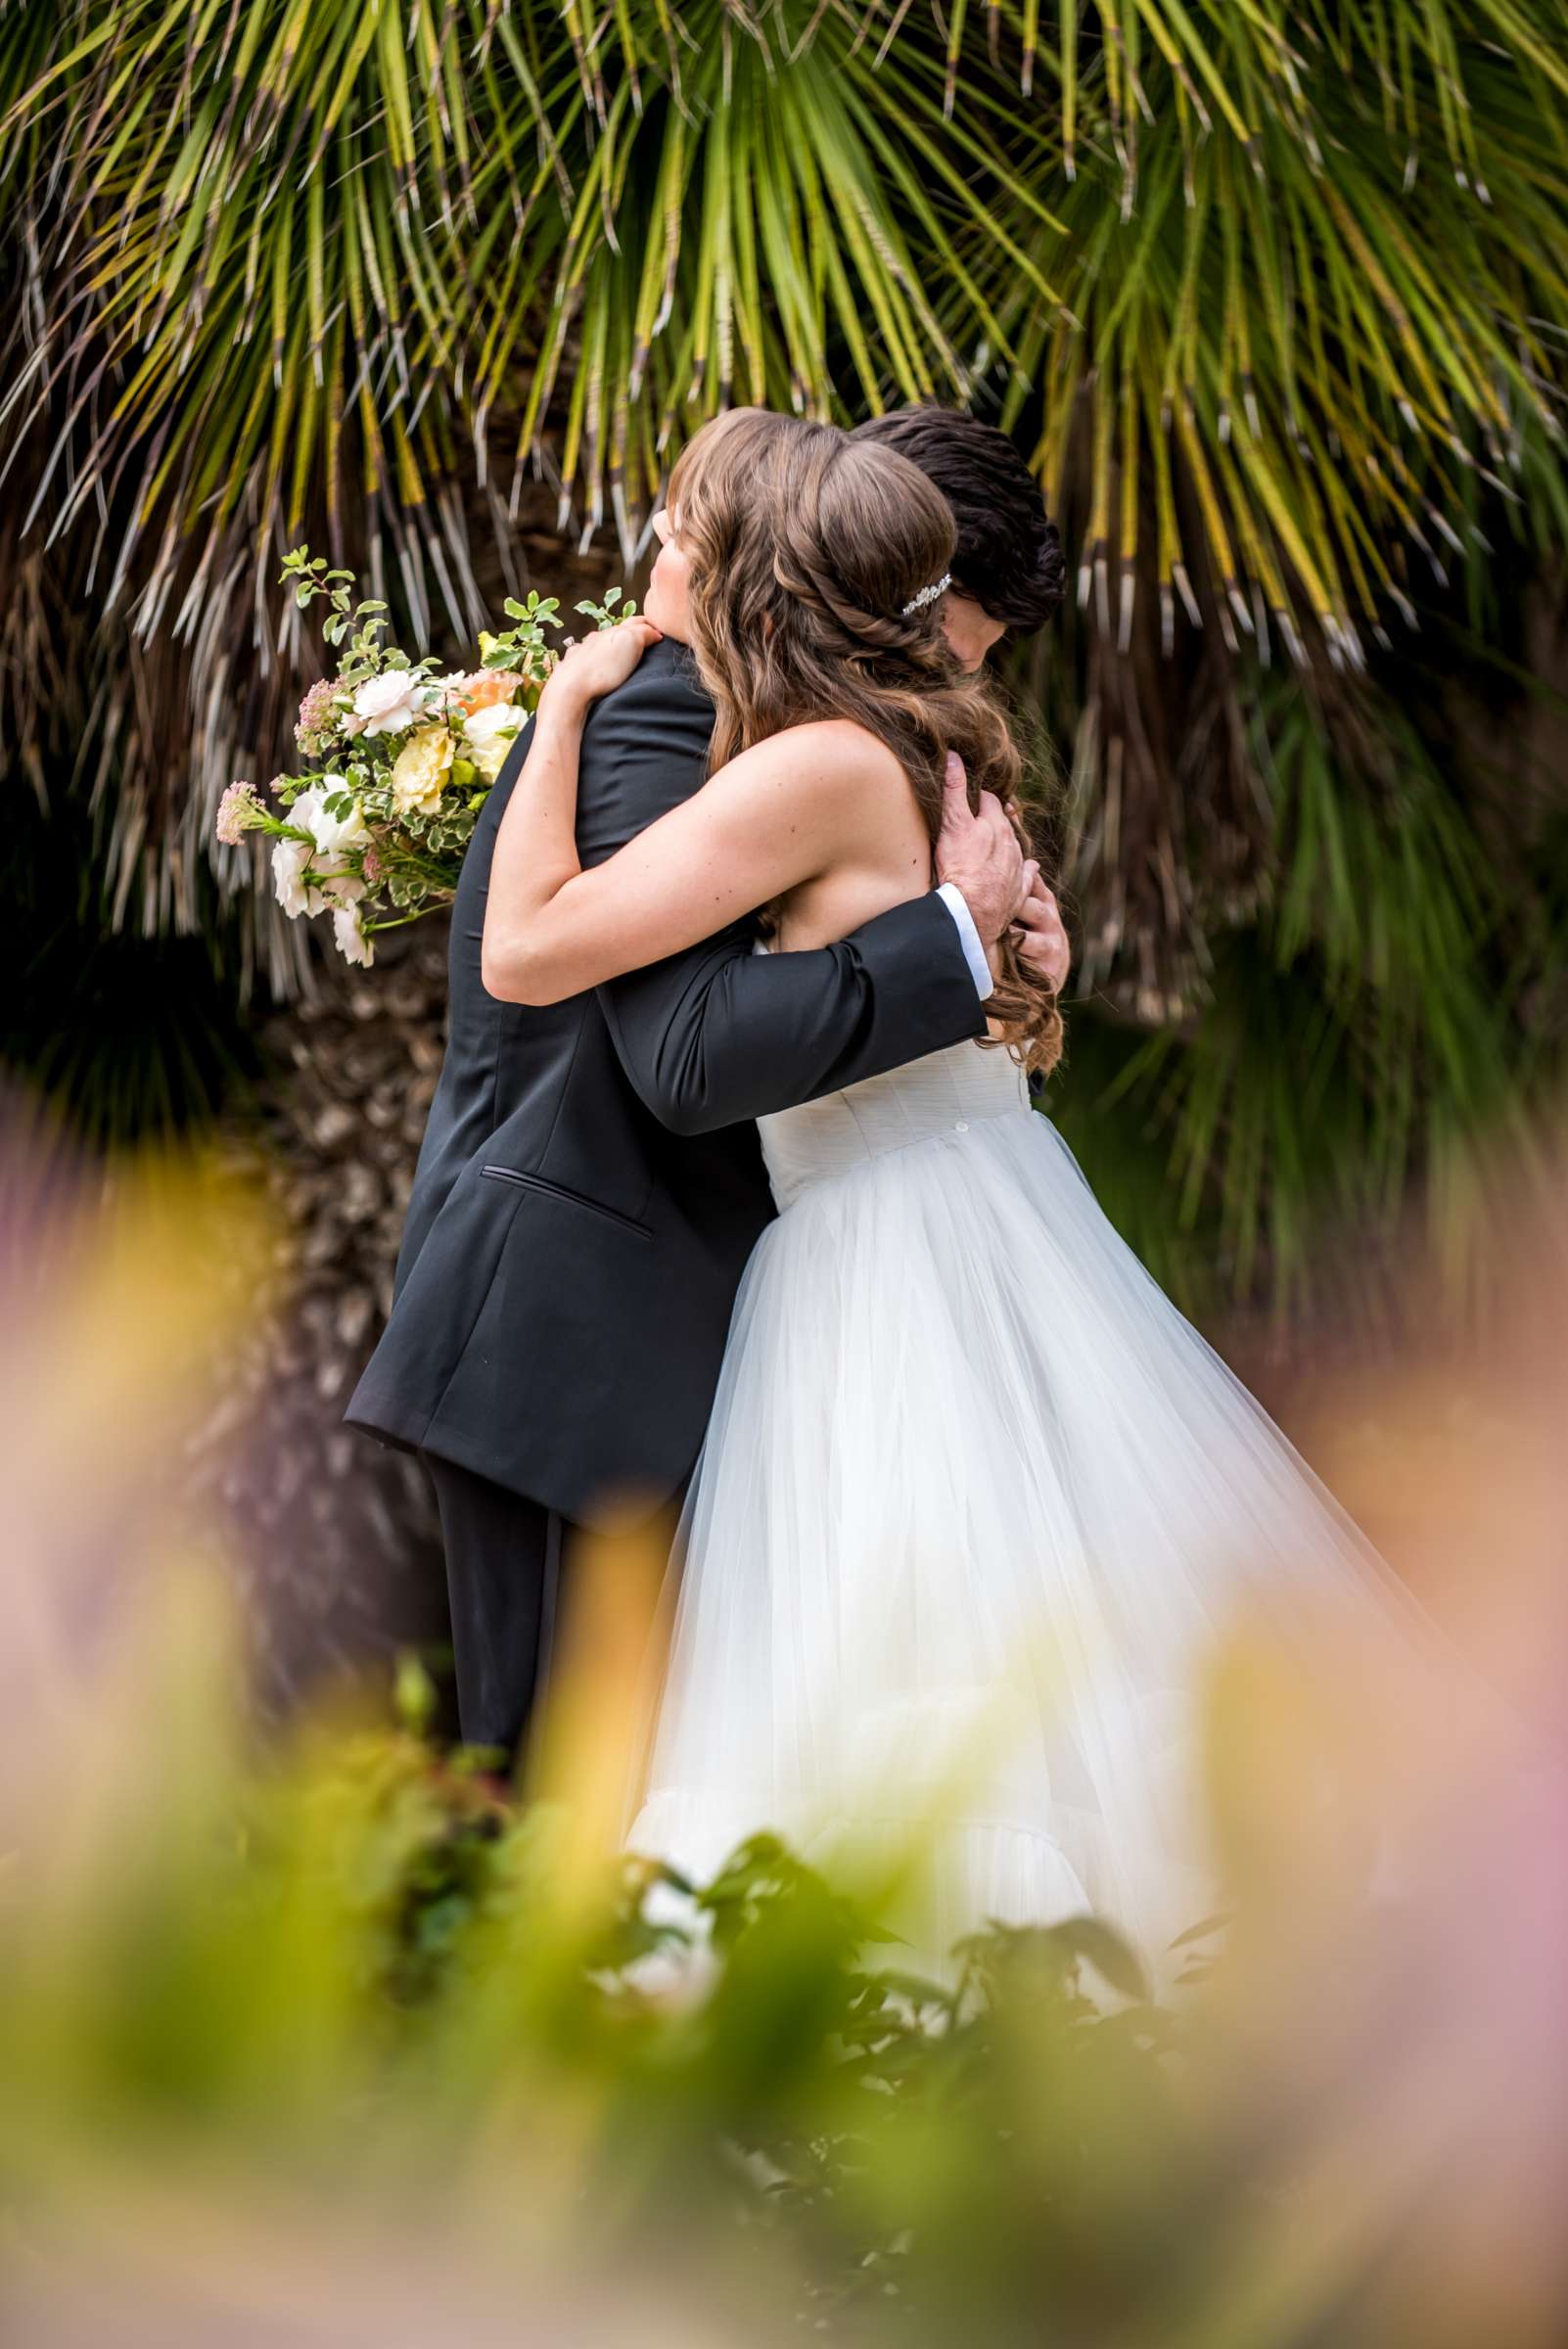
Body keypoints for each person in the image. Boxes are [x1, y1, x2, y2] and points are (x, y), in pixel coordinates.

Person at [483, 407, 1425, 1960]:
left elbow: (528, 948)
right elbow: (981, 993)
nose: (669, 566)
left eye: (687, 544)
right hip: (989, 1203)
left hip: (887, 1254)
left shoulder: (812, 767)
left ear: (772, 583)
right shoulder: (930, 743)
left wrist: (566, 713)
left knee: (908, 1677)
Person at [346, 407, 1070, 1767]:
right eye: (962, 617)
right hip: (575, 1335)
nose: (657, 548)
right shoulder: (673, 706)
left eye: (682, 525)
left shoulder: (838, 736)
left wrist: (1006, 960)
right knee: (559, 1800)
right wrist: (952, 945)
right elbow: (667, 1036)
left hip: (747, 1317)